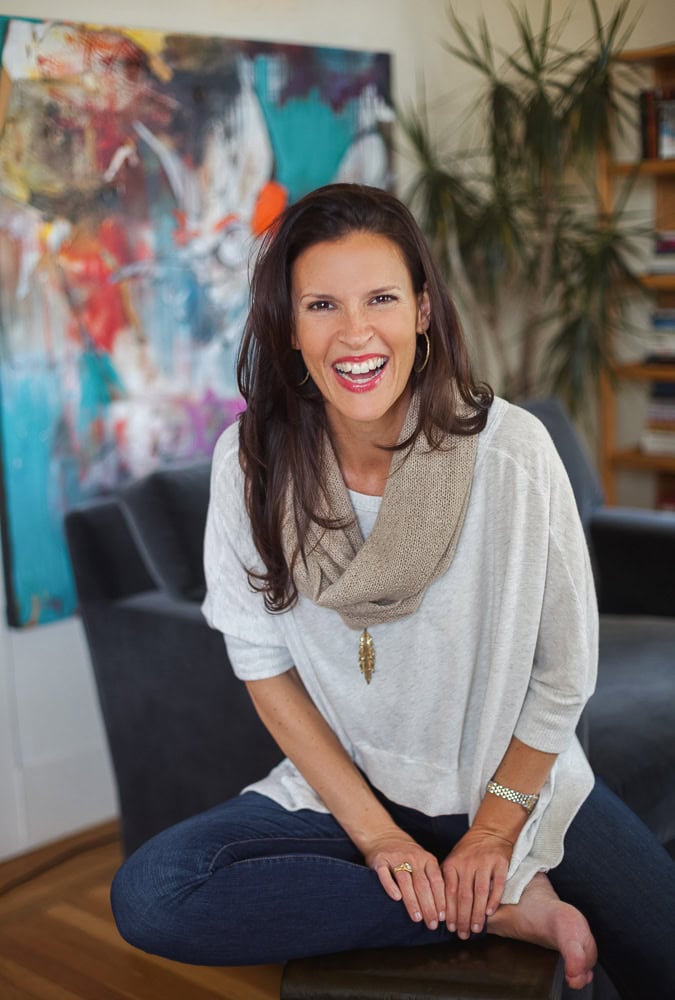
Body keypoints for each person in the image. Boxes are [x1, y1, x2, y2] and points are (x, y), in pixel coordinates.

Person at [110, 183, 675, 998]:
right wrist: (377, 838)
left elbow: (562, 676)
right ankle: (496, 909)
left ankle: (494, 879)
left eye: (379, 297)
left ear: (419, 309)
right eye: (320, 305)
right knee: (154, 894)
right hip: (344, 794)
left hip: (504, 791)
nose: (353, 332)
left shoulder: (510, 453)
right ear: (289, 328)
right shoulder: (252, 461)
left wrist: (491, 836)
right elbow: (261, 662)